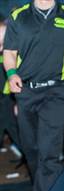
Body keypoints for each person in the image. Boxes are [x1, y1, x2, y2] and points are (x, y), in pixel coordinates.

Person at [3, 0, 64, 191]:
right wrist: (12, 73)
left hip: (56, 92)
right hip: (26, 92)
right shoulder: (19, 17)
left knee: (49, 151)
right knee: (31, 148)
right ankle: (40, 186)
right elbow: (9, 52)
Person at [0, 14, 20, 152]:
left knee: (12, 127)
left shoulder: (12, 50)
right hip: (5, 96)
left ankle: (32, 158)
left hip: (7, 97)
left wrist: (17, 102)